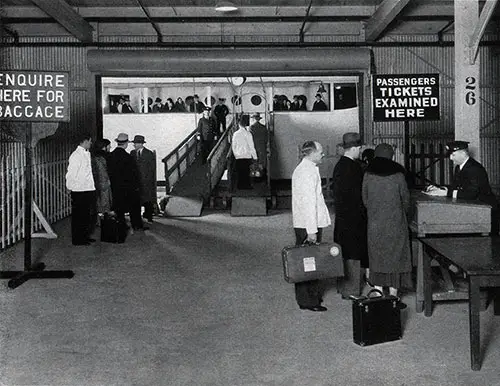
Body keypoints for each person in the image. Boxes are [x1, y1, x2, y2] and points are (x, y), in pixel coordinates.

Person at [362, 143, 411, 301]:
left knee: (377, 255)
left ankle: (377, 290)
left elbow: (365, 200)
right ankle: (393, 293)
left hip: (375, 223)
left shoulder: (368, 175)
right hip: (396, 223)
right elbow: (406, 201)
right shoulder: (398, 175)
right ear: (392, 156)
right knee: (395, 256)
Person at [425, 140, 498, 234]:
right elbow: (457, 187)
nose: (451, 158)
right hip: (474, 211)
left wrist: (447, 193)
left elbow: (472, 193)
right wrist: (441, 189)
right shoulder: (459, 167)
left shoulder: (474, 169)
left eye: (453, 155)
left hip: (485, 213)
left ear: (463, 154)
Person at [292, 141, 331, 312]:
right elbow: (308, 203)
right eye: (320, 151)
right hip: (308, 225)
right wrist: (312, 231)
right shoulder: (307, 172)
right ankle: (308, 301)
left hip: (308, 223)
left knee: (310, 261)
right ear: (311, 153)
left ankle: (311, 296)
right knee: (308, 262)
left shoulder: (308, 168)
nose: (323, 154)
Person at [332, 132, 368, 299]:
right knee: (353, 254)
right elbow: (358, 195)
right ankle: (351, 291)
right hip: (353, 217)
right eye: (359, 148)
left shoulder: (339, 165)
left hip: (342, 216)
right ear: (353, 148)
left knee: (344, 252)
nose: (360, 151)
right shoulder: (354, 167)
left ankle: (343, 287)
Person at [107, 133, 147, 231]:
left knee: (118, 207)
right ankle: (136, 225)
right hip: (129, 186)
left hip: (115, 186)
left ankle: (121, 224)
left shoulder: (110, 156)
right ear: (126, 144)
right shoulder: (128, 157)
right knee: (134, 206)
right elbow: (134, 174)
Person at [65, 133, 96, 246]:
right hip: (79, 190)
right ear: (85, 141)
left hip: (87, 188)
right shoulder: (76, 155)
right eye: (90, 141)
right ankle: (78, 239)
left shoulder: (85, 154)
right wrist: (69, 186)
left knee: (86, 215)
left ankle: (84, 236)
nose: (91, 143)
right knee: (79, 216)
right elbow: (71, 173)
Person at [130, 135, 157, 224]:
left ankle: (149, 217)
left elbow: (152, 169)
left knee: (148, 200)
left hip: (146, 181)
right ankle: (138, 218)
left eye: (136, 143)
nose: (134, 145)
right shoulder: (132, 153)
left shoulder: (149, 154)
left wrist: (150, 181)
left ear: (141, 144)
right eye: (134, 143)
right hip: (136, 181)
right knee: (137, 200)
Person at [231, 114, 257, 190]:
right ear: (246, 125)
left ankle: (239, 186)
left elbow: (233, 146)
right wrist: (255, 157)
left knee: (240, 172)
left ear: (239, 125)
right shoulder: (248, 134)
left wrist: (236, 155)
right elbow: (252, 147)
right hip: (247, 156)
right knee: (246, 172)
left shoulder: (235, 134)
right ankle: (247, 186)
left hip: (238, 156)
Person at [91, 138, 113, 217]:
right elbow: (102, 172)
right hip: (104, 184)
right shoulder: (102, 158)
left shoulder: (94, 156)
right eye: (109, 146)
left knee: (100, 204)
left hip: (98, 183)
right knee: (104, 205)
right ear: (104, 147)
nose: (110, 147)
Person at [249, 112, 268, 178]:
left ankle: (255, 178)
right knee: (261, 163)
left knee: (255, 163)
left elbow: (250, 139)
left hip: (254, 148)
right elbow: (266, 139)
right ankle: (261, 177)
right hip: (262, 148)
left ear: (254, 119)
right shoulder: (264, 127)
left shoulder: (251, 128)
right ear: (259, 119)